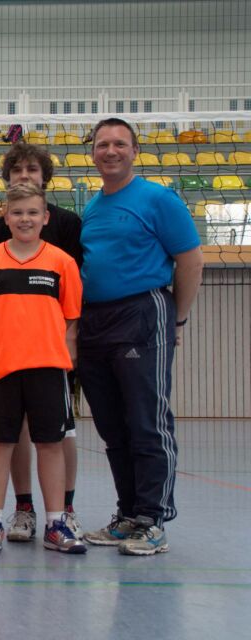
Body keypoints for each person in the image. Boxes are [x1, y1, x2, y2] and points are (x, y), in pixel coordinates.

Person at [78, 118, 203, 556]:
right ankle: (128, 514)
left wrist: (177, 320)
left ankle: (152, 519)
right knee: (112, 427)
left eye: (119, 143)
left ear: (134, 150)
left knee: (147, 421)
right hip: (95, 321)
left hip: (142, 313)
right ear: (92, 152)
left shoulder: (158, 199)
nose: (110, 151)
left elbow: (191, 261)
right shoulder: (93, 206)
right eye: (102, 144)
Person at [0, 182, 85, 554]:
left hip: (48, 368)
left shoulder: (61, 262)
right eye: (17, 212)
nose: (25, 219)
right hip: (2, 369)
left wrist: (39, 342)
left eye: (33, 212)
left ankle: (55, 523)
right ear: (5, 217)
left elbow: (70, 315)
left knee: (50, 444)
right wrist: (9, 340)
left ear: (45, 217)